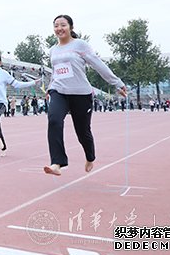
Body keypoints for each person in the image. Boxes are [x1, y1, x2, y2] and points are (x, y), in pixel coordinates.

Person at [43, 15, 127, 176]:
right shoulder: (53, 50)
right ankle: (57, 163)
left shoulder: (80, 45)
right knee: (54, 121)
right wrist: (49, 87)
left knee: (82, 132)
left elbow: (97, 64)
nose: (59, 28)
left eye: (63, 25)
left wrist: (116, 83)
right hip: (59, 91)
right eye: (56, 26)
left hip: (81, 94)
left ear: (71, 27)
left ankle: (90, 156)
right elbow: (56, 71)